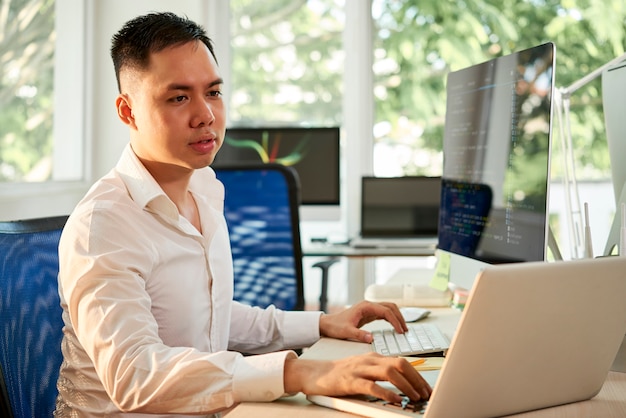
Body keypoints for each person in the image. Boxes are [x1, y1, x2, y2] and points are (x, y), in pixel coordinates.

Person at [54, 11, 432, 417]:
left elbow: (207, 316)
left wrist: (321, 324)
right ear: (127, 111)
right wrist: (298, 373)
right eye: (179, 97)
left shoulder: (203, 188)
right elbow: (135, 374)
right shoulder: (104, 224)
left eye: (213, 92)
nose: (206, 115)